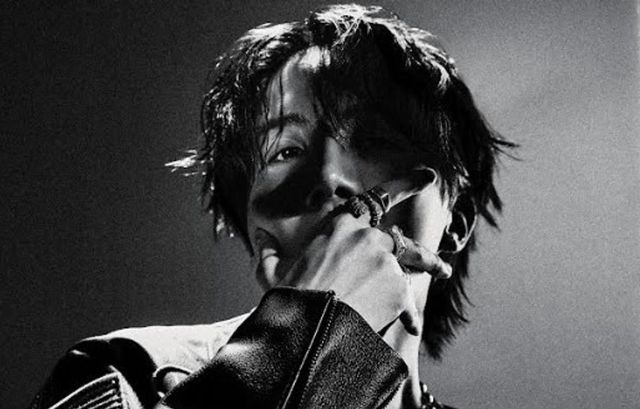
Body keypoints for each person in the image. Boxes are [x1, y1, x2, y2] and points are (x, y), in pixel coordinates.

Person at [31, 4, 514, 409]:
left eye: (373, 140)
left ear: (456, 222)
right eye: (286, 151)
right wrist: (300, 342)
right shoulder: (128, 369)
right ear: (256, 224)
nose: (328, 177)